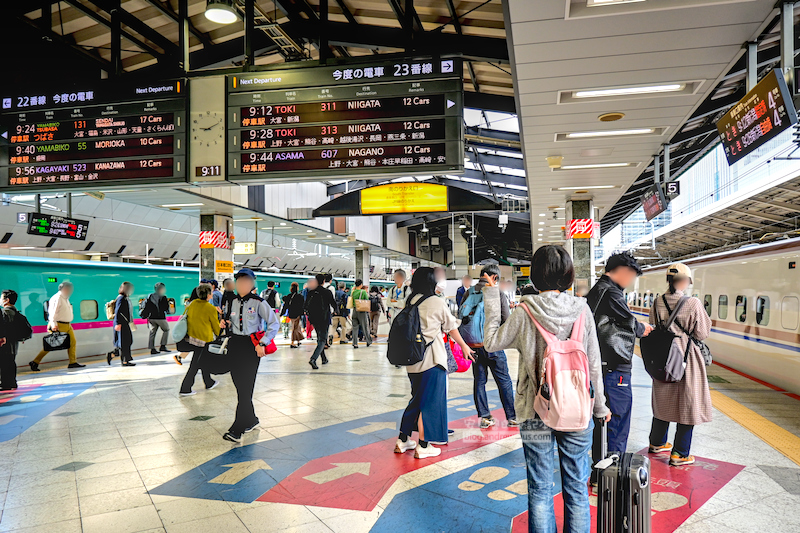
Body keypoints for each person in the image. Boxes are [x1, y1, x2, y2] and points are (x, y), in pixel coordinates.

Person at [482, 245, 610, 532]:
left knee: (540, 488)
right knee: (577, 488)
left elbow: (490, 342)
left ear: (535, 275)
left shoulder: (525, 311)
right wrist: (600, 406)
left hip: (535, 410)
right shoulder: (583, 310)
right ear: (568, 275)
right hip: (577, 410)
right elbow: (593, 364)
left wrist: (492, 295)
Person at [395, 267, 474, 459]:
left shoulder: (410, 300)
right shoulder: (436, 302)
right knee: (430, 403)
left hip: (412, 361)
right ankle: (423, 445)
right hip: (432, 361)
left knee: (416, 400)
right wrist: (464, 346)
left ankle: (403, 439)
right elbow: (451, 327)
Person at [586, 251, 654, 465]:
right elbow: (629, 323)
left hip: (602, 364)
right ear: (623, 271)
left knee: (603, 419)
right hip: (614, 368)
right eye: (632, 275)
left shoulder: (596, 290)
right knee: (617, 418)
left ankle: (600, 466)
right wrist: (644, 328)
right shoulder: (611, 292)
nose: (632, 281)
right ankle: (611, 470)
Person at [648, 263, 712, 466]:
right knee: (688, 402)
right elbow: (702, 333)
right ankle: (680, 453)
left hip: (663, 356)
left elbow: (653, 326)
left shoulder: (657, 301)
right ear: (684, 281)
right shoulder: (692, 303)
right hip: (686, 357)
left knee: (663, 399)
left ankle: (657, 442)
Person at [219, 268, 280, 443]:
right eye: (239, 281)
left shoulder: (259, 302)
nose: (242, 285)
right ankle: (251, 420)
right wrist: (225, 323)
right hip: (235, 344)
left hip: (251, 346)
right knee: (240, 386)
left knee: (246, 387)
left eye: (246, 281)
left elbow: (273, 323)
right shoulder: (231, 301)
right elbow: (232, 321)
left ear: (252, 283)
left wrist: (264, 342)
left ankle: (237, 429)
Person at [459, 264, 517, 429]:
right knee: (504, 380)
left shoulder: (469, 292)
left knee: (479, 381)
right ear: (495, 278)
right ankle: (512, 417)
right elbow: (507, 320)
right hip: (492, 345)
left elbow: (461, 316)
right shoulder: (497, 293)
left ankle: (485, 417)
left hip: (473, 345)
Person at [30, 281, 84, 370]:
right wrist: (54, 324)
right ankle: (35, 362)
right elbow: (52, 312)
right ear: (64, 289)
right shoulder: (57, 298)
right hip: (58, 324)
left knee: (72, 342)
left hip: (67, 325)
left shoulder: (65, 298)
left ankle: (72, 362)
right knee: (51, 344)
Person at [179, 284, 221, 396]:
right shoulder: (210, 308)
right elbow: (216, 327)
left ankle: (209, 382)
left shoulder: (191, 305)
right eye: (211, 293)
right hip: (204, 340)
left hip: (192, 338)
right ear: (208, 294)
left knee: (202, 361)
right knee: (195, 364)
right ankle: (185, 388)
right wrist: (219, 334)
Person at [304, 274, 336, 369]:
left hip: (314, 319)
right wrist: (336, 311)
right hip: (324, 318)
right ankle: (313, 359)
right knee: (322, 339)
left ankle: (324, 358)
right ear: (323, 281)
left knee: (320, 338)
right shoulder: (327, 292)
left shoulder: (311, 292)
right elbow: (333, 304)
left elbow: (305, 305)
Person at [0, 290, 29, 391]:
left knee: (5, 362)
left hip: (5, 342)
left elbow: (4, 328)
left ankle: (6, 383)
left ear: (6, 300)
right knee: (10, 361)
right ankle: (12, 382)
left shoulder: (5, 312)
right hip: (14, 342)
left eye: (1, 297)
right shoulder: (16, 312)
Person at [113, 282, 137, 367]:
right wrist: (117, 323)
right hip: (121, 324)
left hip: (126, 323)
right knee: (124, 342)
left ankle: (120, 357)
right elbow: (118, 311)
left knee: (127, 341)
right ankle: (124, 361)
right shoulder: (121, 298)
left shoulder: (126, 298)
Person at [144, 282, 171, 355]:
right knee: (166, 330)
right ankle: (163, 346)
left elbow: (147, 307)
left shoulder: (149, 296)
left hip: (151, 318)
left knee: (152, 333)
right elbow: (166, 308)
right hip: (160, 318)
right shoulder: (163, 297)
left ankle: (152, 349)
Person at [281, 282, 305, 349]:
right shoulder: (300, 296)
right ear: (297, 288)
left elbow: (285, 306)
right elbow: (303, 306)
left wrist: (282, 313)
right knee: (295, 328)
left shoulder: (289, 296)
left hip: (291, 314)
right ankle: (292, 342)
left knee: (297, 327)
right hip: (297, 314)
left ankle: (298, 340)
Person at [350, 279, 371, 348]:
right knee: (365, 326)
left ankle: (355, 343)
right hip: (362, 311)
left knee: (355, 327)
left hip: (354, 310)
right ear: (361, 285)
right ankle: (368, 341)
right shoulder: (363, 292)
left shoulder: (353, 292)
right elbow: (367, 300)